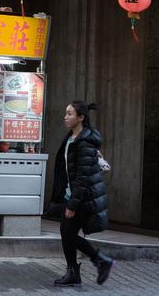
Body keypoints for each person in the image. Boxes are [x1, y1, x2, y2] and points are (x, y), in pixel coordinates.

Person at [50, 100, 114, 287]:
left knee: (68, 233)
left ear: (81, 118)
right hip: (73, 194)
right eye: (66, 112)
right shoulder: (72, 137)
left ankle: (100, 261)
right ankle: (74, 272)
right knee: (66, 232)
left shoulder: (84, 141)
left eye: (70, 113)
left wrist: (73, 204)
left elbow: (83, 177)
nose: (65, 116)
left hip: (83, 197)